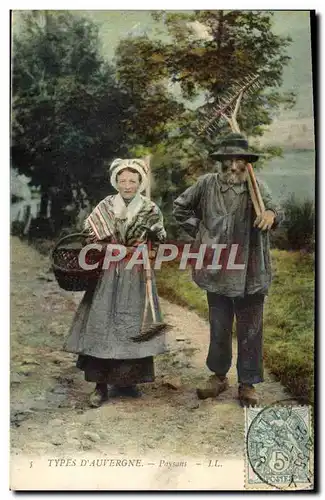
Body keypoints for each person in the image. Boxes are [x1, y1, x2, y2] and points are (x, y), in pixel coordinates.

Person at [173, 133, 282, 407]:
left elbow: (275, 209)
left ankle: (248, 383)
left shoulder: (256, 187)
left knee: (250, 328)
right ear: (220, 162)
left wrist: (270, 215)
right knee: (220, 325)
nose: (233, 167)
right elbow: (180, 207)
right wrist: (200, 232)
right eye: (228, 161)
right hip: (218, 268)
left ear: (248, 163)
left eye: (239, 161)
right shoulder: (206, 185)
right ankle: (218, 376)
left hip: (251, 270)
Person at [64, 158, 167, 407]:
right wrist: (108, 246)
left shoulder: (150, 209)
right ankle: (100, 386)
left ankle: (127, 381)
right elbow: (90, 234)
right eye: (123, 180)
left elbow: (160, 239)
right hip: (108, 272)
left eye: (133, 181)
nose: (127, 185)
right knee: (103, 321)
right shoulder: (106, 206)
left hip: (136, 273)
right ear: (116, 182)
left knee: (132, 323)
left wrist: (150, 243)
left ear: (140, 182)